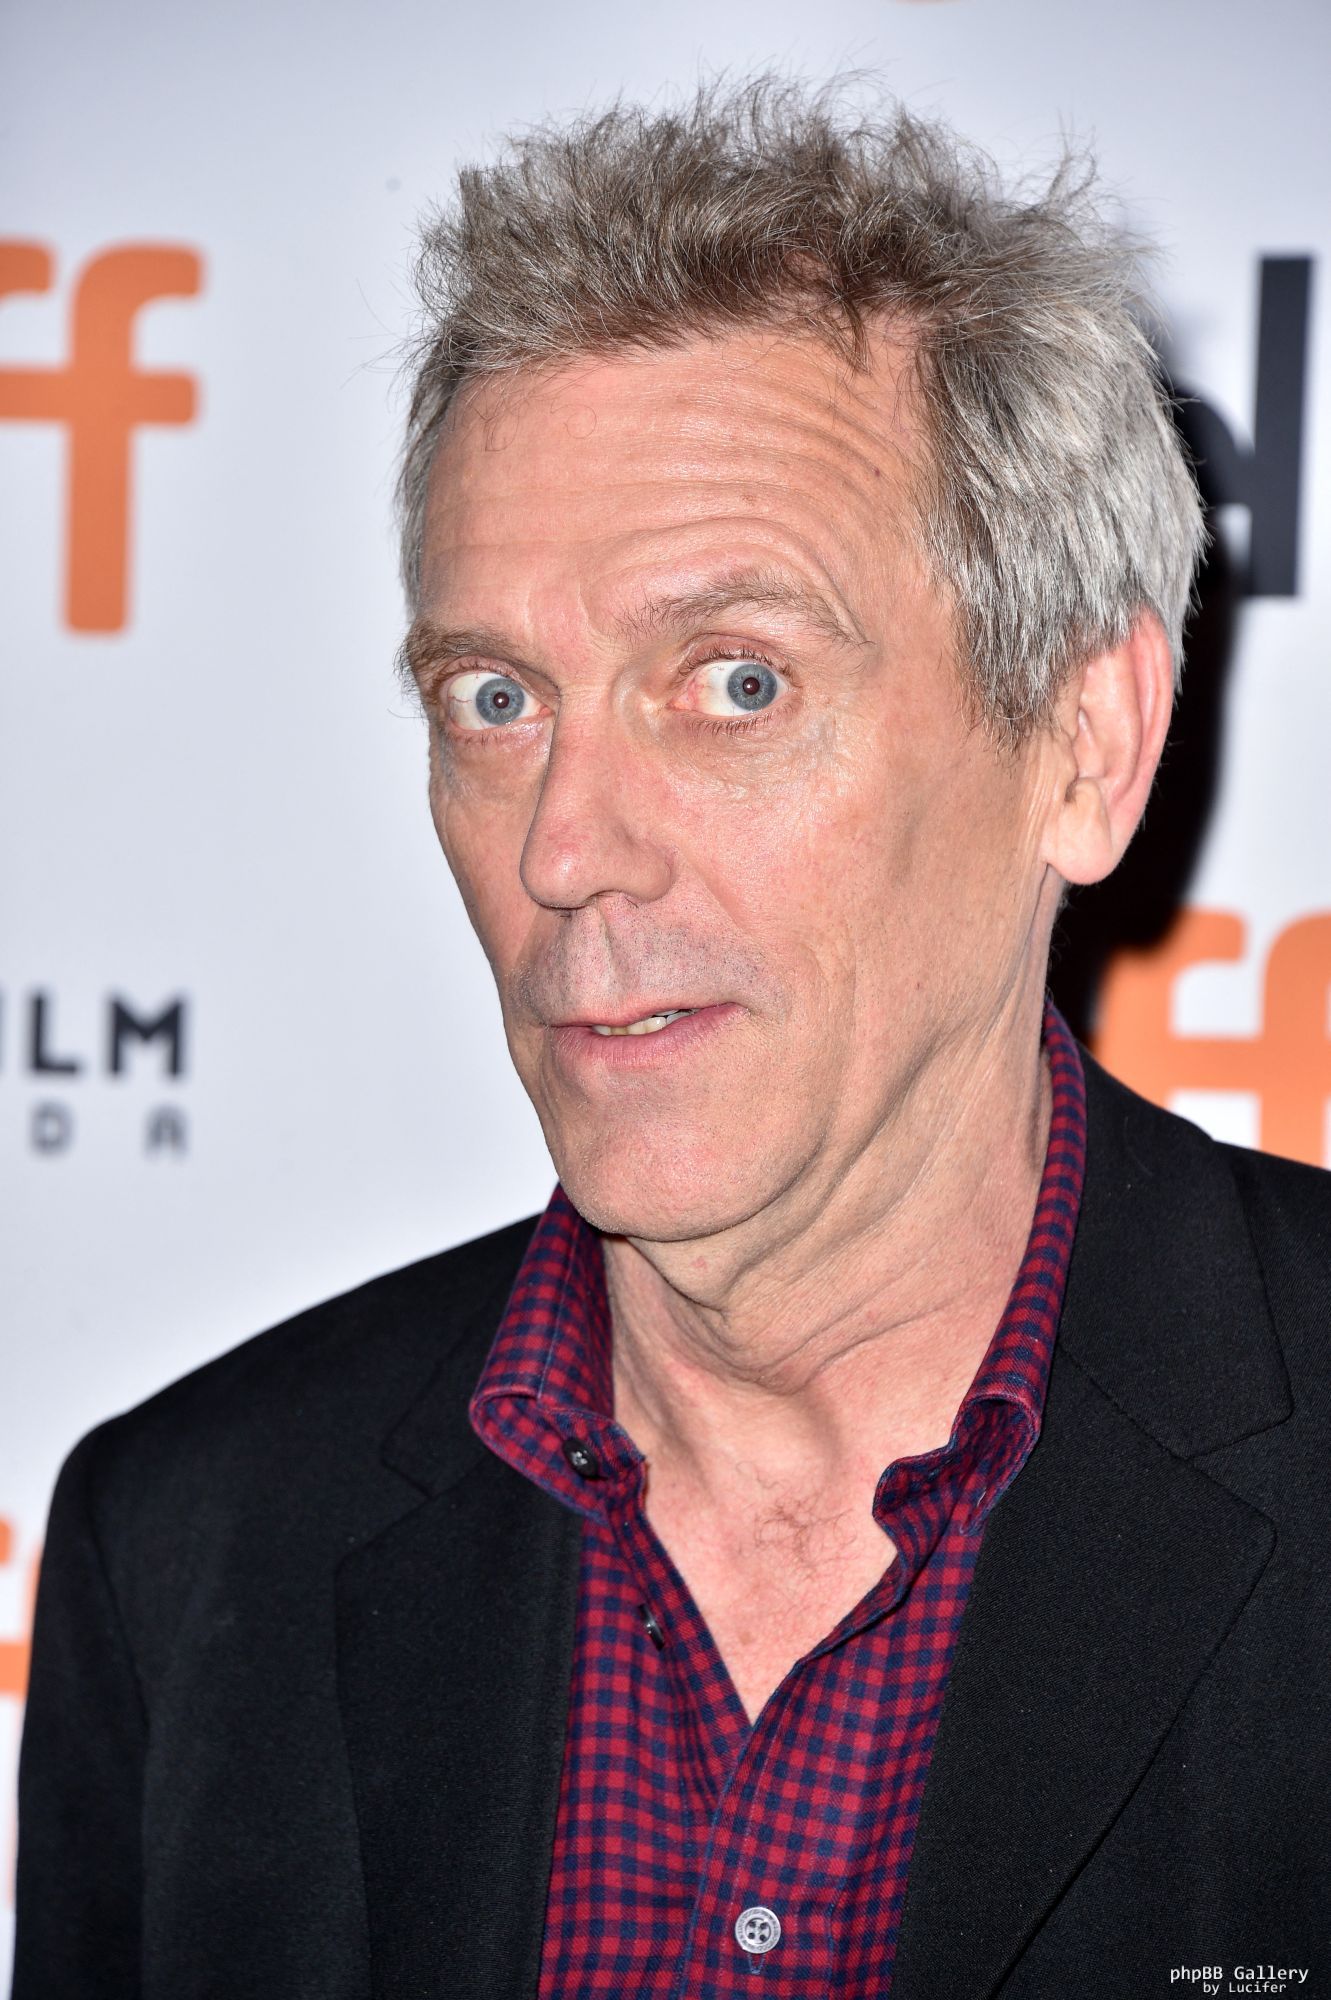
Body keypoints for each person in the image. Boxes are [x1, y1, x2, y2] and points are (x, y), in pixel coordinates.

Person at [13, 78, 1330, 2000]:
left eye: (735, 682)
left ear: (1085, 742)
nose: (564, 849)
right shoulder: (192, 1549)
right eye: (494, 698)